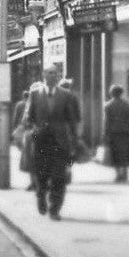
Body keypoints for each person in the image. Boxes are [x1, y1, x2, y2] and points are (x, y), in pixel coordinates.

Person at [25, 65, 81, 220]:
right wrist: (33, 130)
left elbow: (73, 120)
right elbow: (28, 117)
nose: (52, 76)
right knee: (41, 175)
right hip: (41, 142)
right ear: (43, 75)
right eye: (49, 73)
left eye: (55, 74)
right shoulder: (35, 94)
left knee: (59, 176)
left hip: (60, 142)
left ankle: (54, 209)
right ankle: (41, 197)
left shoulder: (66, 95)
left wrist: (74, 141)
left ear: (58, 76)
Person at [103, 84, 129, 183]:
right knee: (124, 153)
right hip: (125, 132)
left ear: (111, 93)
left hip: (113, 133)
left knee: (115, 154)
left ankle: (118, 174)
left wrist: (105, 134)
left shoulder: (108, 106)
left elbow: (107, 121)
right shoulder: (127, 105)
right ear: (121, 93)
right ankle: (125, 173)